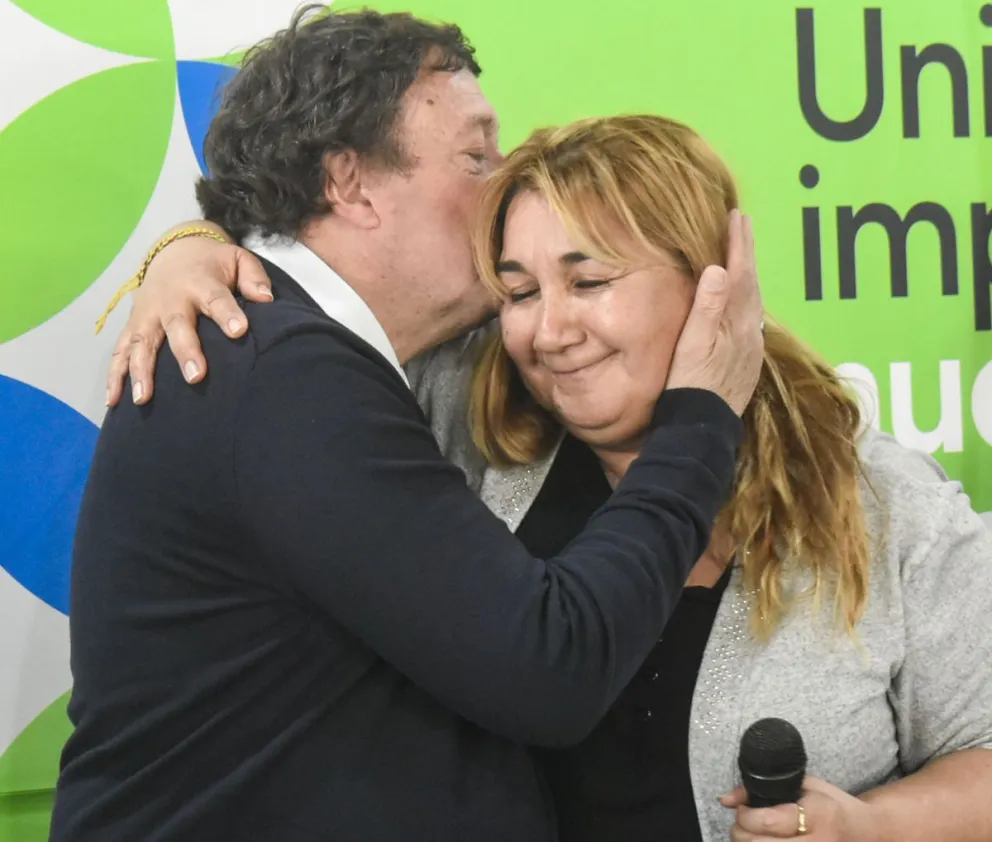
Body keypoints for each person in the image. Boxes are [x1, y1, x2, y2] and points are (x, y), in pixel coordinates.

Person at [115, 114, 992, 842]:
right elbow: (318, 283)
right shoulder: (452, 421)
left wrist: (877, 826)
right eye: (520, 291)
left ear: (710, 283)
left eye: (591, 280)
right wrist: (192, 250)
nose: (549, 330)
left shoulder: (878, 501)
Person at [53, 9, 766, 842]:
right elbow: (550, 668)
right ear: (350, 184)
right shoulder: (282, 375)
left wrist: (189, 240)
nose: (505, 189)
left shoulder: (300, 355)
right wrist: (700, 418)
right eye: (475, 158)